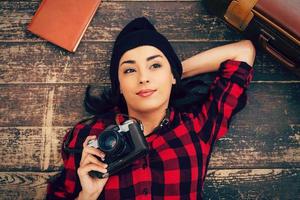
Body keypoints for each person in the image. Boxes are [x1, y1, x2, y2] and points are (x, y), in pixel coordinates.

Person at [46, 17, 255, 200]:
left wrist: (173, 74)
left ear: (172, 74)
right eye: (129, 70)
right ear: (118, 85)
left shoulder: (198, 126)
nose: (143, 77)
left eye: (155, 66)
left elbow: (243, 52)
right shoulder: (89, 138)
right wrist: (87, 196)